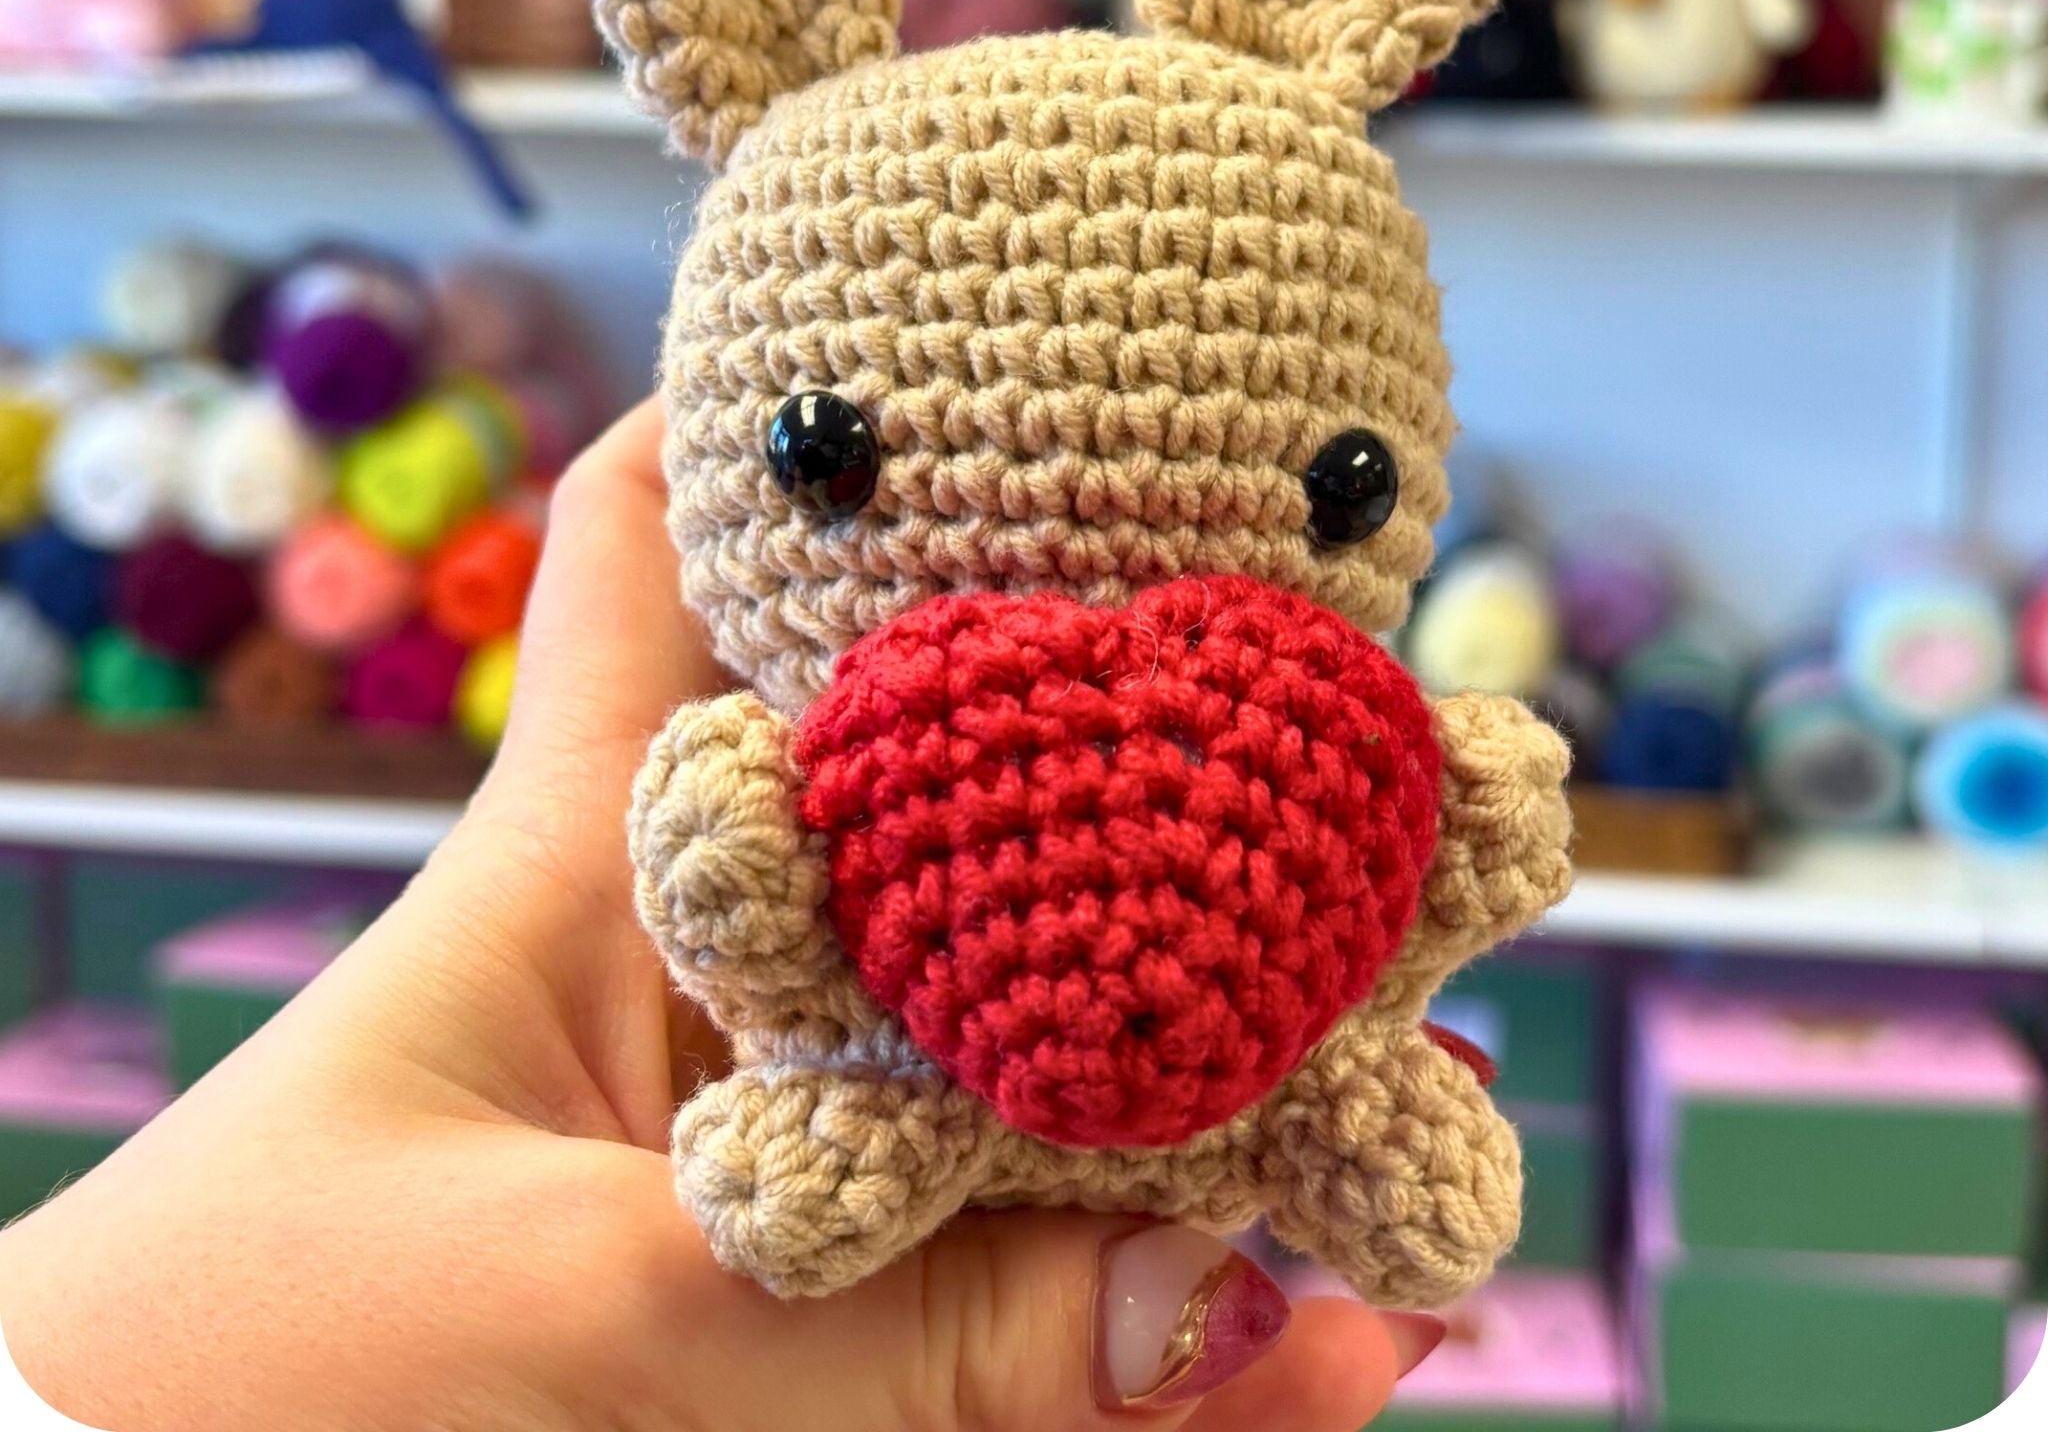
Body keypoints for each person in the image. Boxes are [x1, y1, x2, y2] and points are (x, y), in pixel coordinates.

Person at [0, 402, 1442, 1429]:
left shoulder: (1319, 732)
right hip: (882, 1096)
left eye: (1348, 485)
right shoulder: (832, 772)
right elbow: (738, 912)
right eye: (827, 454)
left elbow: (1465, 850)